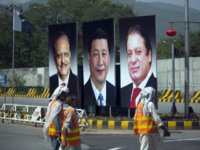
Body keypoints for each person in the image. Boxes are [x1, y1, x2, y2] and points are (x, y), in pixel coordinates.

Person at [121, 25, 157, 108]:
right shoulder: (122, 92)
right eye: (129, 54)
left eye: (138, 52)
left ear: (149, 55)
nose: (133, 60)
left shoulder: (155, 90)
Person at [84, 28, 115, 106]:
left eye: (104, 54)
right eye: (95, 54)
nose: (100, 62)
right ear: (89, 58)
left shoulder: (115, 92)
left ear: (109, 58)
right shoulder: (82, 93)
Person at [50, 31, 77, 98]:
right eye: (59, 55)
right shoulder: (50, 82)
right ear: (54, 57)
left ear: (70, 55)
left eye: (66, 54)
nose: (62, 60)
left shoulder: (77, 82)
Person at [43, 85, 69, 150]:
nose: (65, 96)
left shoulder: (54, 103)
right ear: (59, 94)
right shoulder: (57, 104)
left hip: (54, 131)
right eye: (64, 94)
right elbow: (56, 119)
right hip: (56, 132)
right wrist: (59, 133)